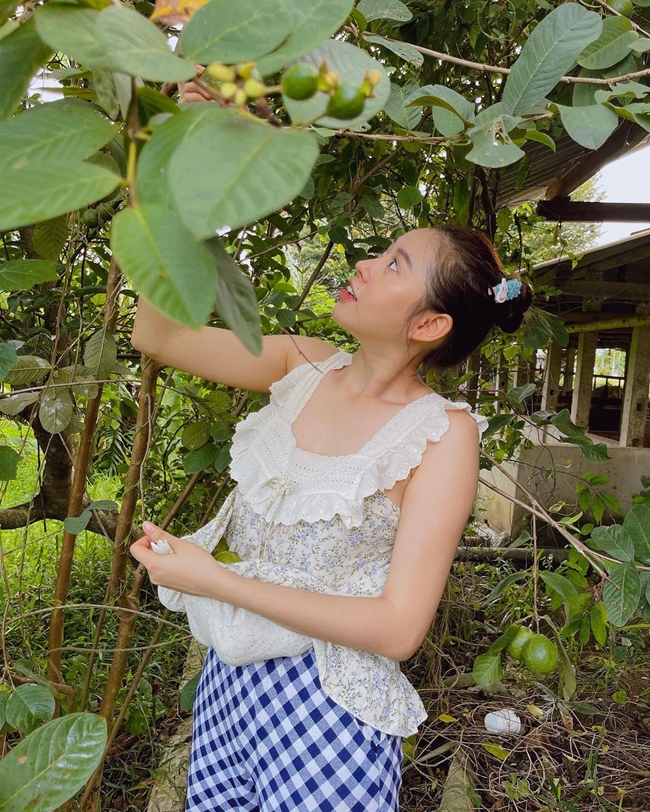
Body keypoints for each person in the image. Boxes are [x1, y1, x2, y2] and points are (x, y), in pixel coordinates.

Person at [130, 223, 533, 812]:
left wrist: (213, 581)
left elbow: (399, 628)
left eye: (395, 264)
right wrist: (166, 212)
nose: (366, 264)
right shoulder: (302, 365)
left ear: (427, 325)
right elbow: (155, 333)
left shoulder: (442, 434)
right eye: (381, 251)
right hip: (227, 688)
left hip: (329, 711)